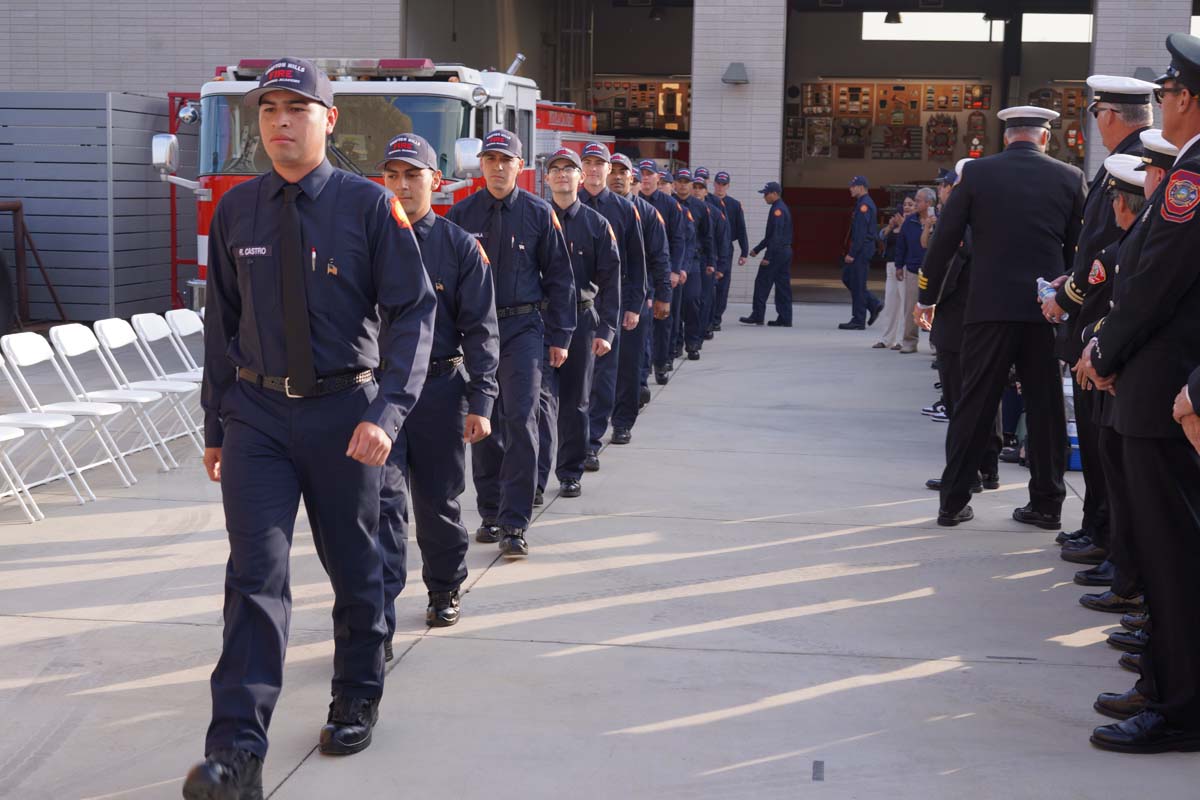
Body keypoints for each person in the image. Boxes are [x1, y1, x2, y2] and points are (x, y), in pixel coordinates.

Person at [185, 58, 438, 797]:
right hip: (257, 416)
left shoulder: (367, 206)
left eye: (298, 108)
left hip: (343, 414)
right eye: (269, 109)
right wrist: (216, 422)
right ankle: (236, 752)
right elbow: (221, 327)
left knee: (357, 567)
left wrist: (387, 411)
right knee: (254, 577)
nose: (281, 122)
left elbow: (414, 312)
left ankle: (356, 692)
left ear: (330, 120)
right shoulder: (238, 210)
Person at [1077, 33, 1200, 753]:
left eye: (1172, 92)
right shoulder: (1184, 170)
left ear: (1189, 100)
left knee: (1174, 555)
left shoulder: (1192, 178)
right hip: (1151, 386)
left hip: (1163, 392)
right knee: (1161, 554)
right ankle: (1163, 683)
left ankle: (1182, 707)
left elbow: (1153, 282)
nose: (1165, 103)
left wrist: (1106, 349)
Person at [916, 105, 1085, 528]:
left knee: (974, 402)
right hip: (1044, 309)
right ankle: (1047, 504)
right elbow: (1077, 250)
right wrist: (1065, 301)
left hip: (987, 308)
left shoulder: (977, 175)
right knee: (1044, 406)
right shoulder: (1069, 178)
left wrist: (928, 296)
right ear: (1045, 138)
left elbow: (944, 241)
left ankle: (952, 502)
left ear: (1006, 137)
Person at [375, 134, 498, 642]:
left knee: (438, 502)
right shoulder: (367, 239)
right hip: (377, 396)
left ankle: (444, 588)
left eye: (413, 175)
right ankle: (376, 614)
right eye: (393, 175)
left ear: (436, 181)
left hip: (440, 392)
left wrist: (482, 399)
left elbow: (481, 327)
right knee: (379, 505)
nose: (402, 185)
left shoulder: (460, 246)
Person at [446, 129, 575, 559]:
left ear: (521, 166)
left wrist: (561, 336)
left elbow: (559, 278)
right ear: (480, 165)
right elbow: (446, 281)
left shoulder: (539, 214)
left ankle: (516, 522)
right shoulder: (461, 215)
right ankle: (490, 512)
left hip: (523, 329)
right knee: (482, 422)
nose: (498, 167)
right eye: (490, 160)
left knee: (520, 418)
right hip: (475, 333)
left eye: (506, 160)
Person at [1042, 75, 1154, 568]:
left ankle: (1106, 534)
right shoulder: (1121, 165)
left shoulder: (1129, 166)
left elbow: (1112, 259)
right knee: (1096, 442)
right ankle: (1097, 527)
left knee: (1104, 445)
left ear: (1107, 115)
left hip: (1103, 327)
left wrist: (1069, 301)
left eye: (1094, 115)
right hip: (1095, 323)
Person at [1073, 129, 1175, 606]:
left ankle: (1131, 583)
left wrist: (1098, 356)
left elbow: (1133, 308)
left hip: (1130, 378)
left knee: (1137, 493)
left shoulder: (1129, 247)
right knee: (1119, 477)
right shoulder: (1133, 243)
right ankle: (1130, 579)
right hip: (1120, 372)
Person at [535, 148, 620, 501]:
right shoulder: (535, 218)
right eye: (555, 169)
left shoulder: (596, 224)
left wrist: (607, 330)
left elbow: (612, 278)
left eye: (568, 169)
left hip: (582, 321)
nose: (561, 175)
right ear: (546, 178)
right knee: (538, 405)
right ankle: (535, 481)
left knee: (575, 402)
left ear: (580, 178)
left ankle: (569, 472)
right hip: (540, 321)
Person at [919, 160, 1001, 494]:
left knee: (959, 401)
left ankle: (964, 473)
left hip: (959, 322)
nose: (942, 191)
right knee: (985, 397)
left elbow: (947, 269)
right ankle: (987, 468)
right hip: (984, 321)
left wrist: (929, 300)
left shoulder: (962, 220)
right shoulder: (994, 218)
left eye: (946, 185)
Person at [588, 153, 670, 457]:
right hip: (595, 300)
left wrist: (660, 296)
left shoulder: (645, 214)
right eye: (615, 171)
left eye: (625, 172)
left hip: (631, 300)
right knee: (595, 371)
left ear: (631, 178)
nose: (619, 177)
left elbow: (656, 258)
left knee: (627, 367)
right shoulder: (585, 206)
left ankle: (622, 422)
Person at [572, 144, 644, 464]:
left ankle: (591, 439)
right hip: (573, 303)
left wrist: (633, 305)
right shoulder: (565, 206)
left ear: (609, 169)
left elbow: (637, 262)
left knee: (603, 374)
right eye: (587, 163)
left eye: (600, 164)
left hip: (610, 300)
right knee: (574, 375)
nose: (594, 169)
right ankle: (573, 435)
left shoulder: (625, 209)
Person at [639, 160, 686, 385]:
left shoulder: (670, 205)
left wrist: (675, 271)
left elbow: (679, 240)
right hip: (640, 272)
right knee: (641, 323)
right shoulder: (631, 203)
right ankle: (644, 368)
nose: (646, 178)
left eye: (650, 175)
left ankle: (661, 363)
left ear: (659, 178)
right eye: (642, 174)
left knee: (662, 320)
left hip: (663, 270)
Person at [673, 168, 714, 359]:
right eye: (679, 181)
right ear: (674, 184)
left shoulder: (699, 207)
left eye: (686, 181)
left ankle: (693, 342)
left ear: (691, 184)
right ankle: (676, 343)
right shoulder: (669, 203)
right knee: (675, 305)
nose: (682, 184)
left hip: (694, 261)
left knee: (692, 301)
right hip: (673, 261)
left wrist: (711, 262)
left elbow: (707, 236)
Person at [741, 181, 794, 327]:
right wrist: (757, 249)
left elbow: (775, 236)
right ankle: (785, 317)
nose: (764, 197)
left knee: (762, 283)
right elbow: (770, 237)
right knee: (783, 285)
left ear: (775, 194)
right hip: (785, 251)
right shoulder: (781, 208)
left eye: (766, 194)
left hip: (777, 253)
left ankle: (757, 315)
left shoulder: (777, 210)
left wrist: (767, 257)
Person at [841, 175, 883, 330]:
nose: (850, 189)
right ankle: (873, 303)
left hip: (861, 250)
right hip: (861, 249)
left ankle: (858, 319)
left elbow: (860, 233)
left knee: (858, 284)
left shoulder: (864, 205)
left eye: (853, 186)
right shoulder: (861, 203)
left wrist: (852, 253)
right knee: (848, 278)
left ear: (861, 187)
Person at [896, 186, 935, 353]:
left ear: (929, 203)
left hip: (934, 271)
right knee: (911, 308)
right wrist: (899, 265)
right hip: (913, 269)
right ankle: (909, 341)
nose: (915, 203)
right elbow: (901, 245)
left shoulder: (939, 219)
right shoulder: (910, 221)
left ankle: (936, 344)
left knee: (934, 308)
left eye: (919, 201)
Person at [872, 197, 914, 350]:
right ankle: (886, 338)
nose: (907, 207)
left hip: (904, 267)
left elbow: (912, 242)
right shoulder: (896, 223)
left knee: (904, 304)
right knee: (890, 303)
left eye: (910, 204)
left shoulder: (914, 223)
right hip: (890, 266)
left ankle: (902, 340)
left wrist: (903, 225)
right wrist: (890, 227)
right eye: (905, 204)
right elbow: (881, 238)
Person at [710, 171, 749, 332]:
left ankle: (716, 318)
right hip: (710, 247)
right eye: (718, 183)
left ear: (728, 185)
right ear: (714, 184)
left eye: (723, 184)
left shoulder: (734, 204)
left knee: (723, 285)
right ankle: (706, 316)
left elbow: (741, 229)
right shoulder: (707, 201)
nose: (720, 187)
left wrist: (744, 252)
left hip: (726, 248)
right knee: (707, 284)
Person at [692, 168, 727, 340]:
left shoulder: (714, 212)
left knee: (705, 298)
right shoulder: (681, 208)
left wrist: (719, 265)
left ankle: (702, 329)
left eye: (700, 187)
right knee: (690, 300)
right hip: (689, 260)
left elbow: (721, 241)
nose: (697, 190)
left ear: (706, 191)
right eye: (695, 187)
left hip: (706, 260)